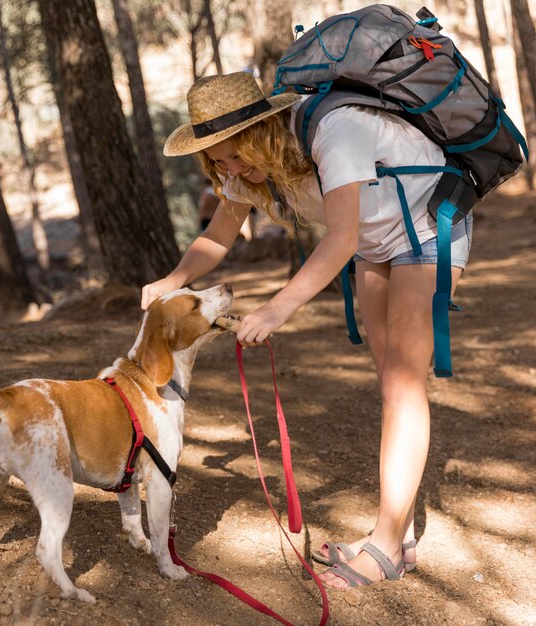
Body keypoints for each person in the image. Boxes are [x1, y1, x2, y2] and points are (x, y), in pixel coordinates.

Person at [140, 72, 473, 589]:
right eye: (218, 161)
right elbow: (219, 234)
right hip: (376, 241)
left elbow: (339, 239)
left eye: (235, 154)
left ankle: (385, 546)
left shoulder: (334, 132)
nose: (231, 169)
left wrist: (276, 310)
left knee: (405, 385)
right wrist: (173, 279)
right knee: (390, 385)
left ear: (261, 129)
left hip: (427, 228)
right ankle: (397, 531)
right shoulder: (244, 166)